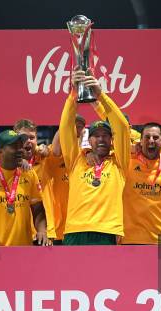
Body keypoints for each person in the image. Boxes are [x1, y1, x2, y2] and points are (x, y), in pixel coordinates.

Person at [59, 70, 130, 245]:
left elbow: (122, 126)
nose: (101, 139)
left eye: (105, 135)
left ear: (112, 139)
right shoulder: (76, 159)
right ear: (88, 140)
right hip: (75, 230)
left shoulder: (119, 162)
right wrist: (73, 94)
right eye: (96, 135)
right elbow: (66, 128)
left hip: (107, 230)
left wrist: (100, 94)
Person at [122, 123, 161, 244]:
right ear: (140, 141)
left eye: (155, 137)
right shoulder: (127, 163)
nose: (151, 141)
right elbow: (107, 149)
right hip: (131, 238)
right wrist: (88, 151)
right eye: (147, 137)